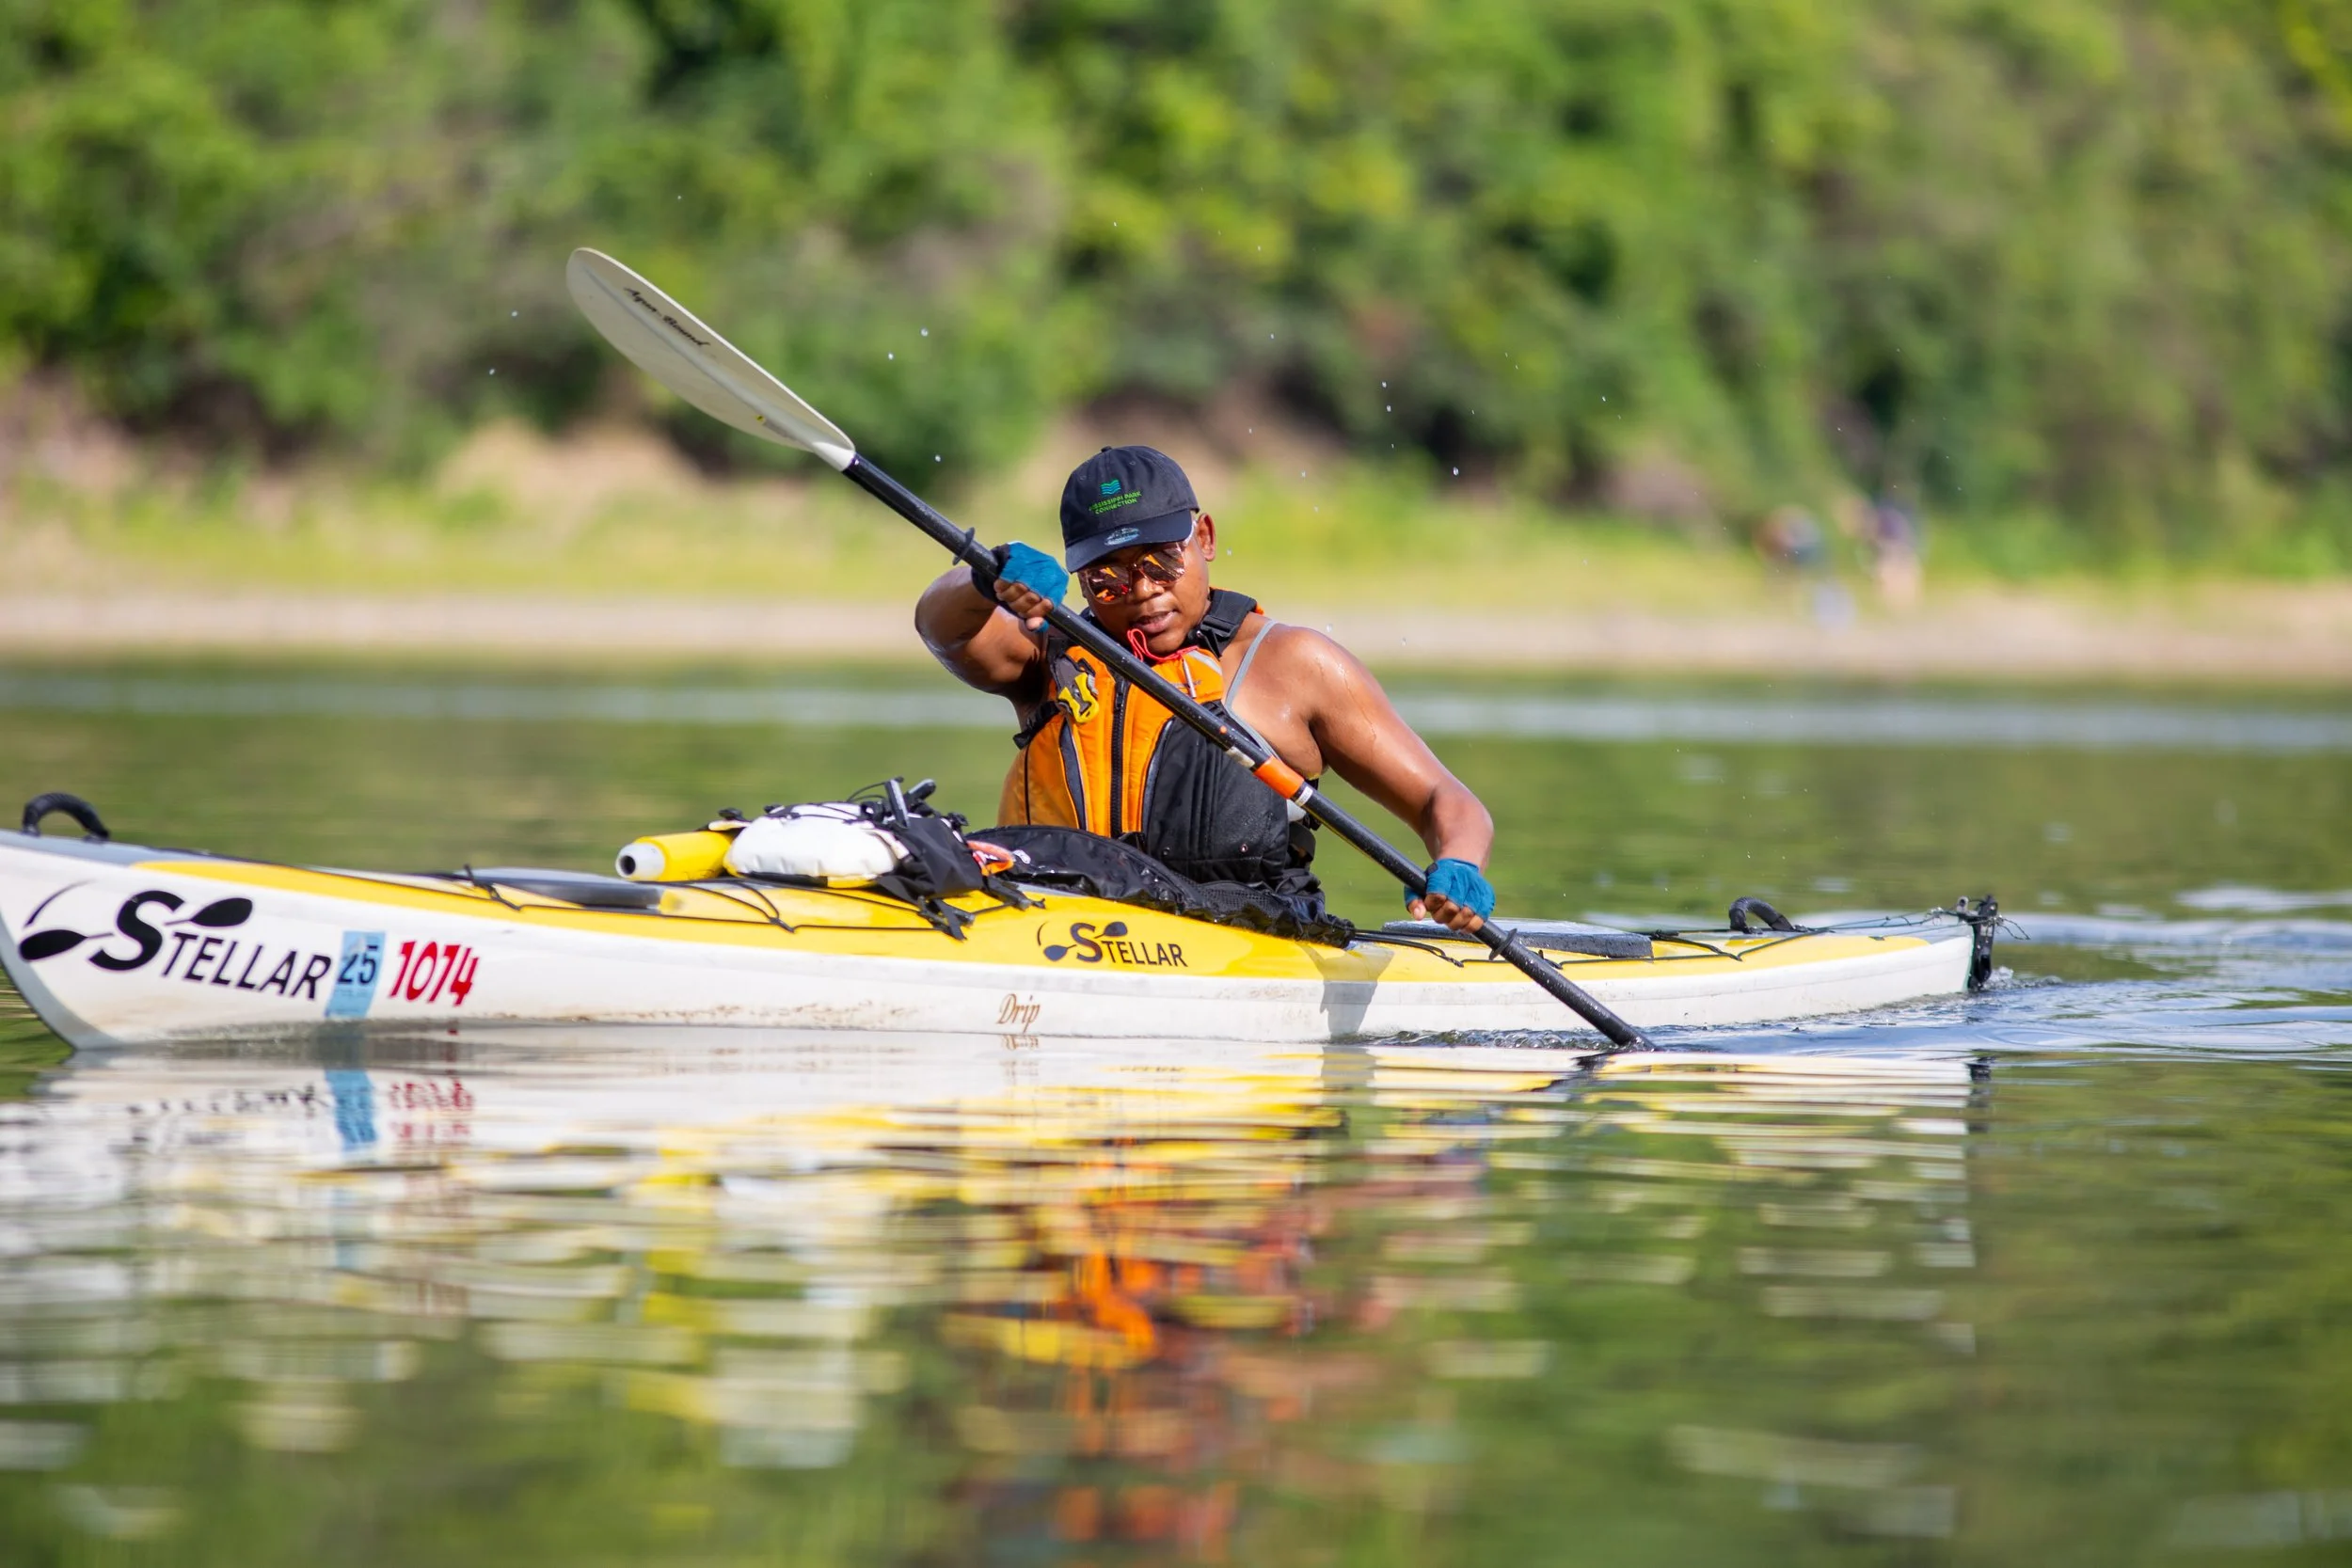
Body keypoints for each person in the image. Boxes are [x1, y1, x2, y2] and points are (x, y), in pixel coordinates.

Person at [914, 445, 1496, 934]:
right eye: (1109, 578)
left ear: (1205, 538)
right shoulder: (1046, 654)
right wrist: (985, 577)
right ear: (1081, 581)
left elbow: (1442, 800)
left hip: (1244, 937)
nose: (1143, 590)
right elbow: (942, 629)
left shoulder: (1294, 665)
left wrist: (1459, 864)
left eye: (1162, 561)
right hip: (1061, 923)